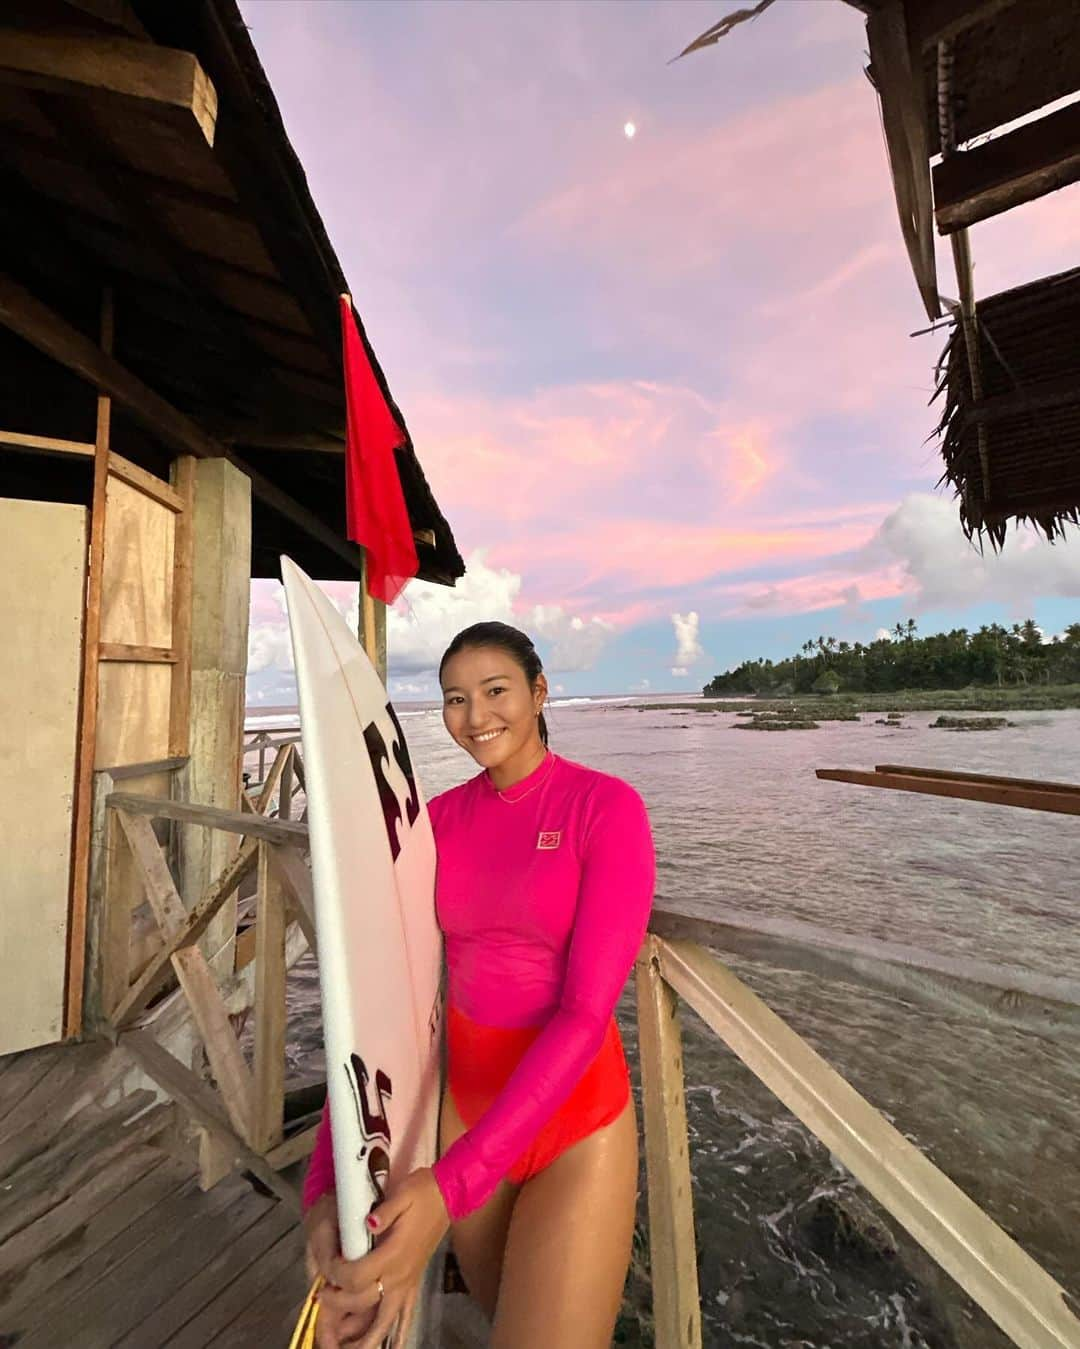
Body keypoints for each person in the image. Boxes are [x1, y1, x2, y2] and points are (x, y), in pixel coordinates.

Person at [302, 622, 656, 1348]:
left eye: (496, 690)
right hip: (466, 1109)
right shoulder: (438, 824)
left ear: (538, 692)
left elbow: (587, 1013)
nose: (476, 715)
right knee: (505, 1323)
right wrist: (323, 1185)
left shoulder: (606, 808)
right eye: (455, 698)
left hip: (573, 1119)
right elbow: (375, 993)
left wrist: (452, 1183)